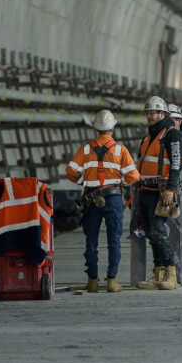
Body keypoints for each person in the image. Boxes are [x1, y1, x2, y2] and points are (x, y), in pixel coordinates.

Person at [66, 109, 140, 293]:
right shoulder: (120, 150)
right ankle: (112, 281)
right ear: (112, 128)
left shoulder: (85, 149)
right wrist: (120, 183)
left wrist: (83, 181)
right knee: (114, 240)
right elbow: (134, 175)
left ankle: (92, 282)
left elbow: (70, 171)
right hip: (113, 197)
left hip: (91, 198)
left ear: (96, 129)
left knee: (91, 241)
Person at [133, 96, 182, 291]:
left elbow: (176, 164)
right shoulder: (147, 138)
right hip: (145, 190)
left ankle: (171, 274)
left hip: (162, 192)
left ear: (163, 114)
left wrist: (170, 189)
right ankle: (158, 274)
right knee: (151, 234)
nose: (150, 116)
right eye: (147, 112)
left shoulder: (172, 135)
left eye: (153, 112)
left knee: (159, 232)